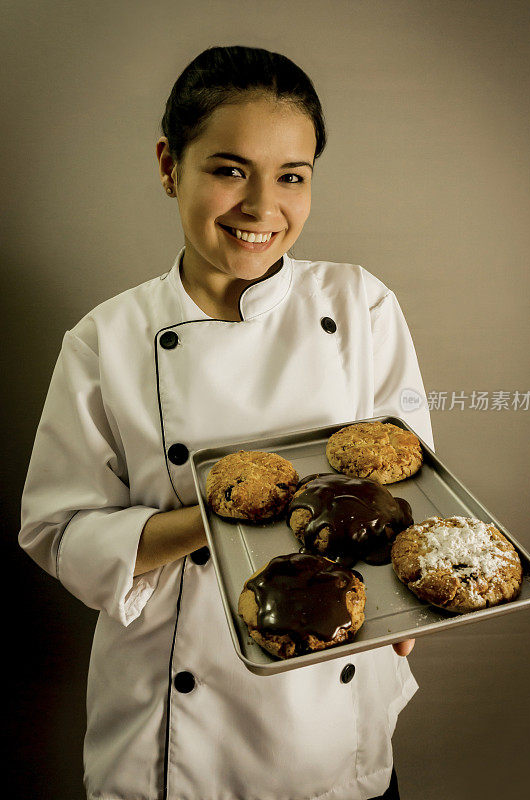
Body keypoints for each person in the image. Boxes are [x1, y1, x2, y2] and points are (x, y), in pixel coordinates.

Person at [19, 45, 434, 800]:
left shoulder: (360, 304)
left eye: (291, 177)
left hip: (332, 712)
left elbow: (411, 478)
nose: (261, 207)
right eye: (228, 168)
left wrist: (410, 596)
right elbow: (58, 533)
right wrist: (209, 515)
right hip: (175, 743)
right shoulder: (105, 339)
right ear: (168, 166)